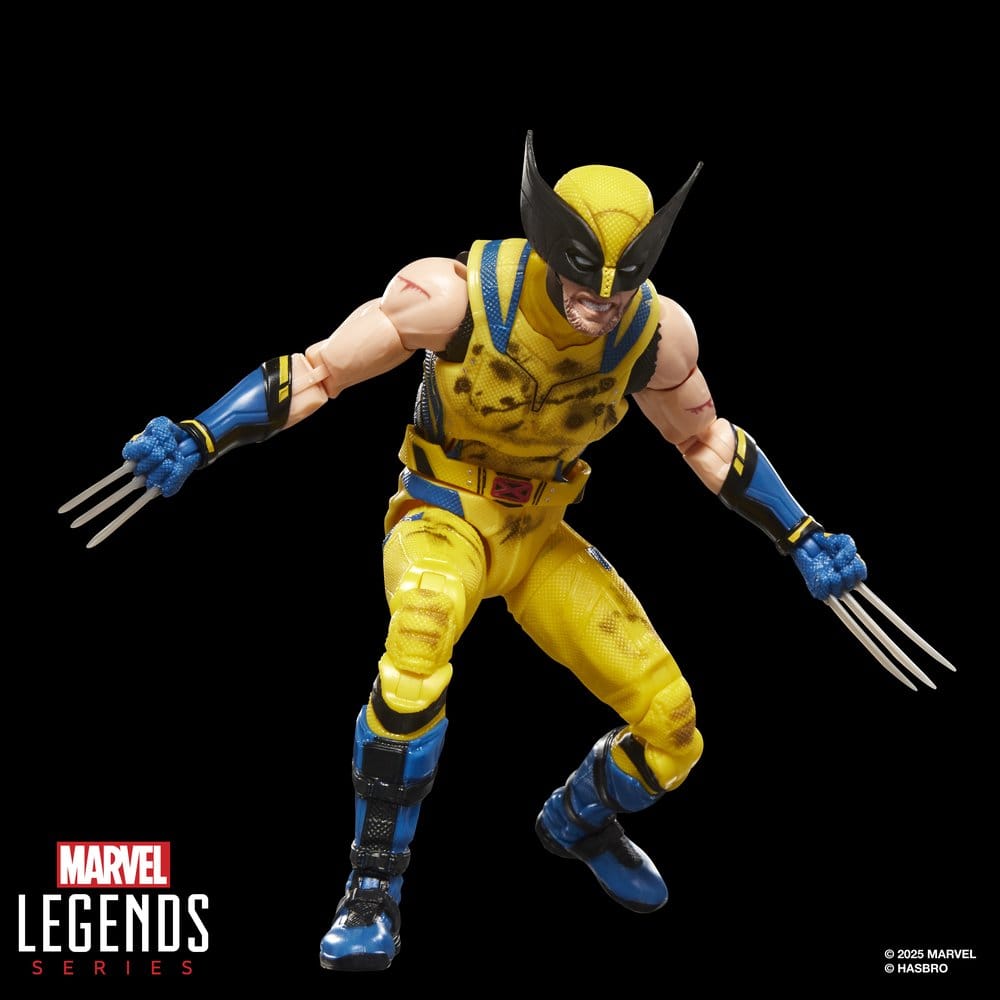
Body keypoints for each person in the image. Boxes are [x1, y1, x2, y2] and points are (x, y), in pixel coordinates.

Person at [62, 132, 948, 972]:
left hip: (540, 535)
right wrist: (202, 435)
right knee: (416, 648)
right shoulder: (453, 294)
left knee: (673, 725)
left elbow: (705, 439)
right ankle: (370, 889)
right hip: (442, 515)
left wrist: (800, 533)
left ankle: (578, 822)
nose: (599, 306)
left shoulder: (655, 333)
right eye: (583, 284)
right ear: (550, 247)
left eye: (620, 291)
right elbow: (324, 369)